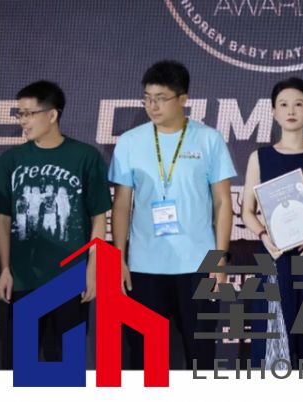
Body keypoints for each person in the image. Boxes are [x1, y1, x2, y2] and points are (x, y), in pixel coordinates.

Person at [109, 60, 236, 369]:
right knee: (144, 360)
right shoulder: (130, 142)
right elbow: (122, 204)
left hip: (197, 265)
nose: (152, 106)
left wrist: (219, 259)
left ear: (183, 99)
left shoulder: (209, 139)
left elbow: (222, 203)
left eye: (161, 98)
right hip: (143, 266)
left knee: (201, 358)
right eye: (147, 98)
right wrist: (119, 258)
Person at [0, 80, 111, 367]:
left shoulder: (86, 157)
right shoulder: (10, 161)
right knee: (18, 368)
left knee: (66, 367)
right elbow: (3, 219)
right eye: (20, 114)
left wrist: (93, 269)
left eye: (29, 113)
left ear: (52, 115)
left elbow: (99, 217)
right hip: (23, 278)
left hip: (69, 279)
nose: (23, 121)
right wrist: (5, 269)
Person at [241, 77, 303, 368]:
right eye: (283, 104)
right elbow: (247, 211)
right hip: (275, 257)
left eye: (298, 104)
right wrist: (264, 236)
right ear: (274, 111)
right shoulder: (259, 158)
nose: (291, 110)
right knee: (275, 336)